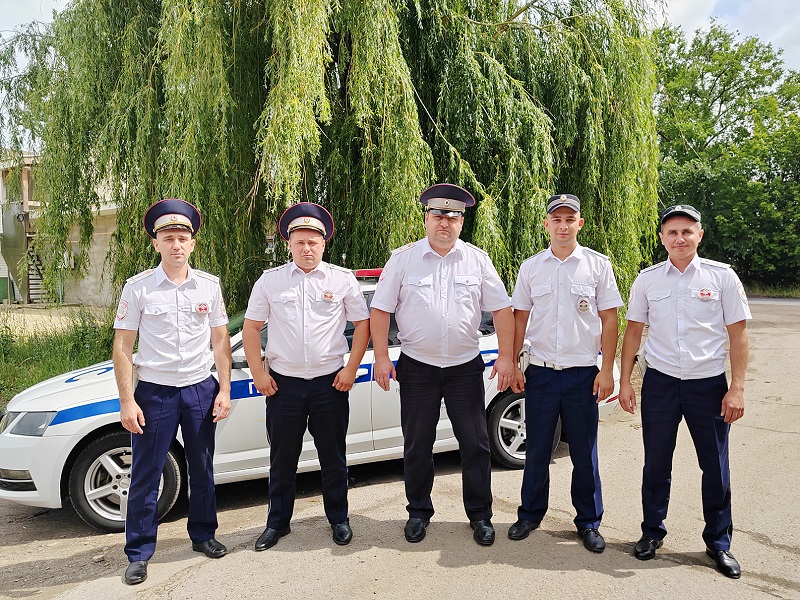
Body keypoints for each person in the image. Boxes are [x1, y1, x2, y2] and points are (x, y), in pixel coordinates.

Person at [370, 183, 515, 546]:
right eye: (438, 215)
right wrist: (382, 357)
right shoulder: (403, 259)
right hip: (418, 367)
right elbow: (380, 309)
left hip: (465, 367)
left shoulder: (477, 260)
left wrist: (507, 357)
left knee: (476, 444)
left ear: (462, 222)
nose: (444, 223)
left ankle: (480, 515)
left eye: (453, 216)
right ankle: (418, 512)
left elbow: (502, 310)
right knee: (418, 444)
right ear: (426, 218)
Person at [619, 204, 751, 579]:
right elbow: (633, 331)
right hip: (660, 383)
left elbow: (738, 334)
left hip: (708, 385)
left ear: (699, 235)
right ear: (662, 238)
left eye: (687, 231)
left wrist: (737, 388)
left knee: (716, 467)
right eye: (672, 232)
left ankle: (718, 543)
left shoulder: (722, 277)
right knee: (656, 464)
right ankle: (651, 532)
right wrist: (625, 381)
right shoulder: (647, 280)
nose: (680, 238)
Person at [113, 198, 232, 586]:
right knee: (146, 474)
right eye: (168, 238)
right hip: (155, 392)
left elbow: (220, 341)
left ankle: (203, 535)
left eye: (183, 238)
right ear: (156, 244)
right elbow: (123, 346)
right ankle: (139, 552)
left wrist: (224, 389)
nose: (176, 244)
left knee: (202, 468)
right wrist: (127, 400)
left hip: (199, 388)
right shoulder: (139, 289)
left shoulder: (209, 286)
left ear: (192, 243)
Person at [242, 202, 370, 550]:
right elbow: (251, 329)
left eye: (313, 242)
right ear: (289, 244)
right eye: (299, 242)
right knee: (282, 460)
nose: (306, 248)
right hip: (283, 386)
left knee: (333, 457)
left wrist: (351, 368)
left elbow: (362, 324)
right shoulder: (271, 281)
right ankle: (277, 524)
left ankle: (339, 519)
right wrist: (258, 373)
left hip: (330, 384)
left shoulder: (341, 279)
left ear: (324, 243)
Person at [506, 193, 622, 553]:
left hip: (582, 374)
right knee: (537, 449)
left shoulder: (598, 265)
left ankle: (588, 521)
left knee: (584, 453)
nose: (563, 225)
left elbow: (610, 319)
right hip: (541, 373)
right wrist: (514, 364)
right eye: (556, 219)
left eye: (570, 219)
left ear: (579, 224)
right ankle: (529, 515)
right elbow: (520, 318)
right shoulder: (531, 267)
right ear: (546, 224)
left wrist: (607, 369)